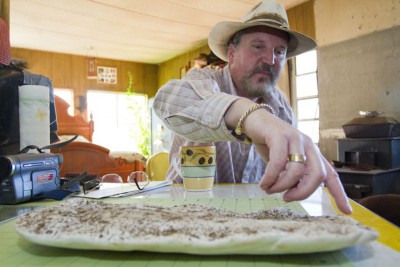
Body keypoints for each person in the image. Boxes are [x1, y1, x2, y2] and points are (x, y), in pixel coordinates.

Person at [153, 0, 352, 214]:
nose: (270, 59)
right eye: (258, 46)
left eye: (280, 51)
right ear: (231, 54)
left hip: (255, 218)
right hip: (186, 214)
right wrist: (249, 115)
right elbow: (167, 101)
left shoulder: (281, 107)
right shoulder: (206, 81)